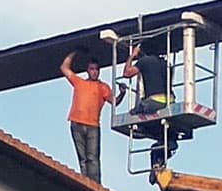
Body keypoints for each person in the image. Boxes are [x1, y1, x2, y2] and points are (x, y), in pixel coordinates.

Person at [61, 51, 121, 182]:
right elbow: (64, 68)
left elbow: (114, 101)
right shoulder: (79, 82)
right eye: (92, 69)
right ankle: (85, 181)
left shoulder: (102, 87)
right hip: (76, 122)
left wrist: (122, 93)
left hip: (93, 125)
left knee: (93, 158)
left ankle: (95, 184)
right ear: (87, 71)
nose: (94, 72)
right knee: (83, 158)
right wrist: (74, 53)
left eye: (96, 69)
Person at [122, 40, 178, 171]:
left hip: (154, 102)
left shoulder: (145, 61)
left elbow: (126, 73)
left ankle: (145, 132)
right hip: (170, 101)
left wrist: (133, 55)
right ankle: (161, 154)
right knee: (165, 134)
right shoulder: (167, 64)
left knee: (133, 114)